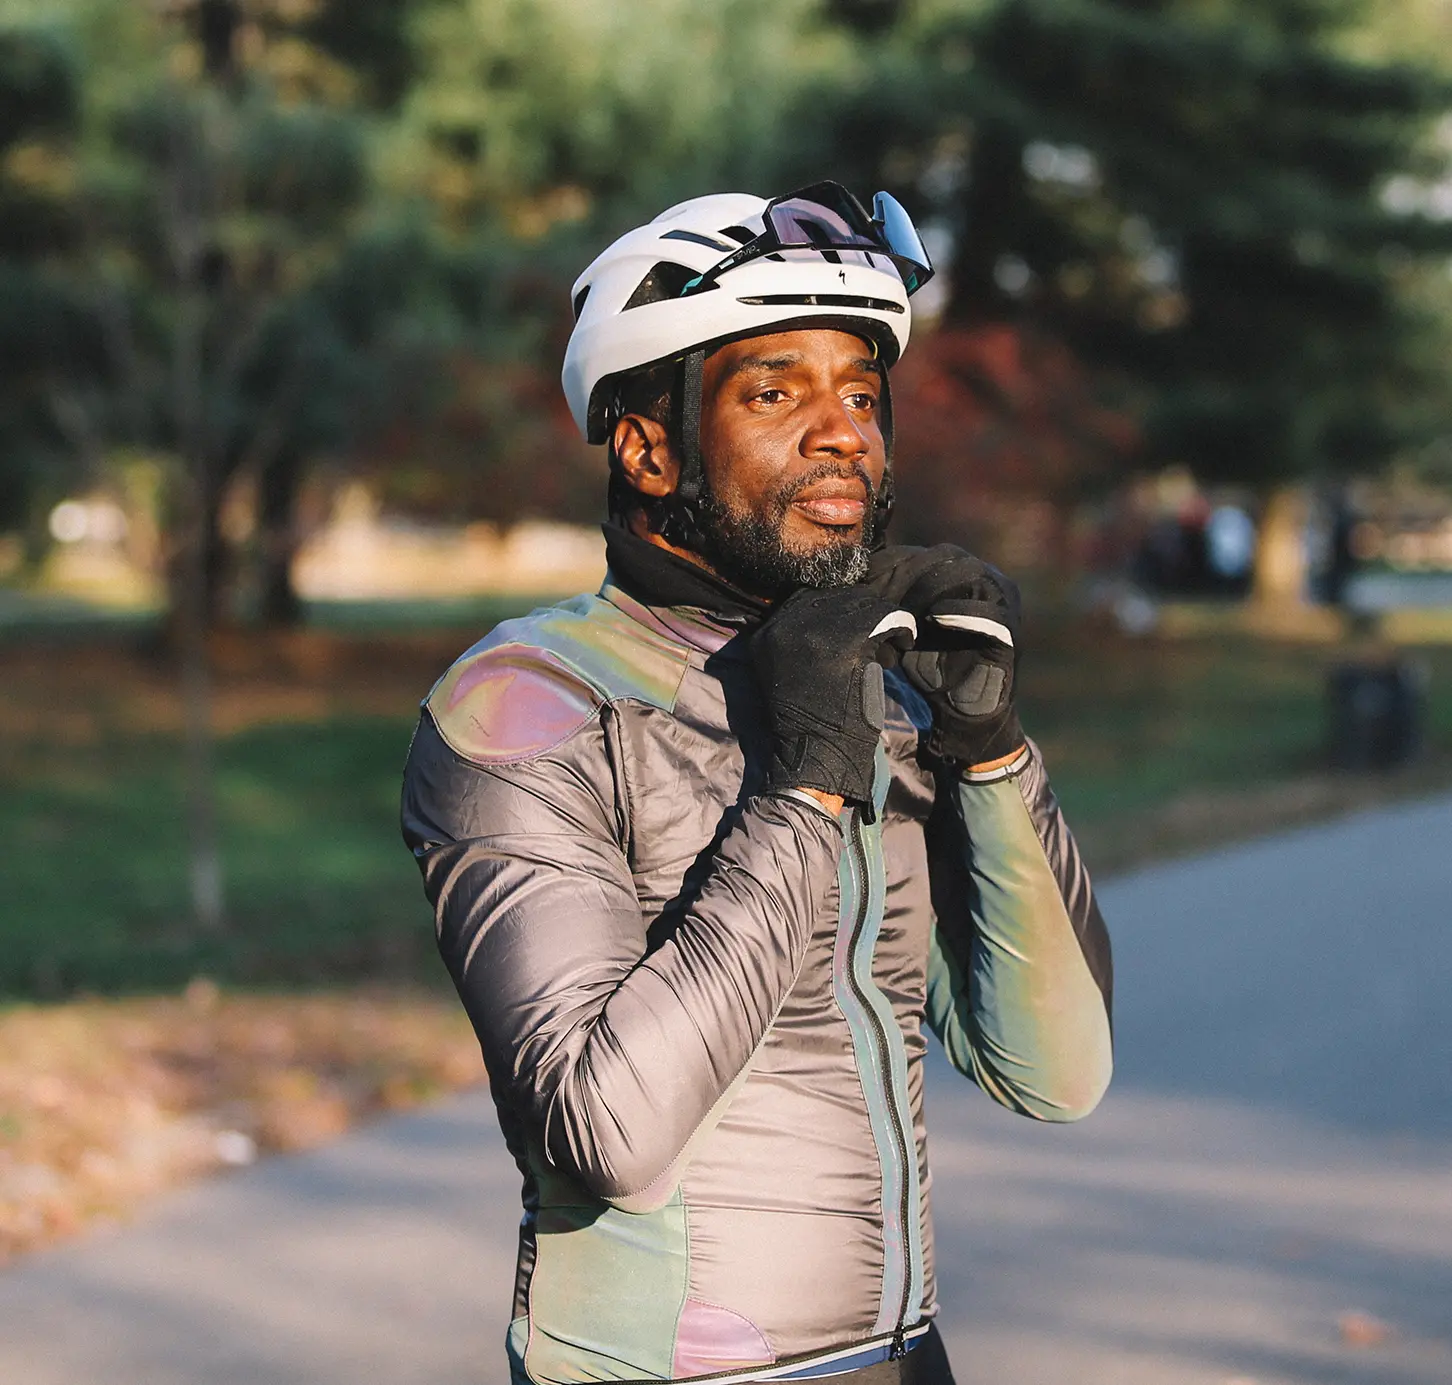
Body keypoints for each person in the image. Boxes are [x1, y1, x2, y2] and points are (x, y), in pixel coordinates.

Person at [400, 183, 1113, 1385]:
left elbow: (1054, 1074)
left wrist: (988, 751)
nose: (844, 432)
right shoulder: (528, 704)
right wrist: (805, 783)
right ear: (649, 444)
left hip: (902, 1353)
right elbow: (603, 1132)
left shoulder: (863, 686)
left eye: (862, 394)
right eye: (776, 391)